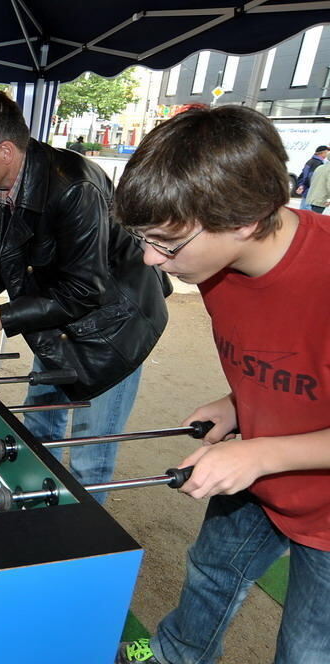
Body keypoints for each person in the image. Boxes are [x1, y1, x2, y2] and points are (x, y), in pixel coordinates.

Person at [112, 105, 330, 664]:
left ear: (244, 221)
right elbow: (296, 361)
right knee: (209, 576)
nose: (149, 257)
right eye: (144, 237)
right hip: (263, 475)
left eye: (166, 242)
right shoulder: (211, 265)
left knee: (306, 650)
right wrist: (239, 404)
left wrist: (261, 453)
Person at [0, 89, 171, 496]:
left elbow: (85, 288)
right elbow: (11, 259)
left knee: (88, 457)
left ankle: (78, 547)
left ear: (4, 151)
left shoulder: (75, 187)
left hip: (110, 334)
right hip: (54, 325)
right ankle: (32, 511)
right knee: (39, 431)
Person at [294, 144, 328, 210]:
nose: (327, 154)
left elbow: (303, 175)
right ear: (322, 153)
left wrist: (302, 185)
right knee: (307, 210)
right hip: (310, 190)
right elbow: (310, 178)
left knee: (304, 209)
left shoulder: (311, 161)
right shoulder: (317, 163)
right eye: (326, 152)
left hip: (307, 189)